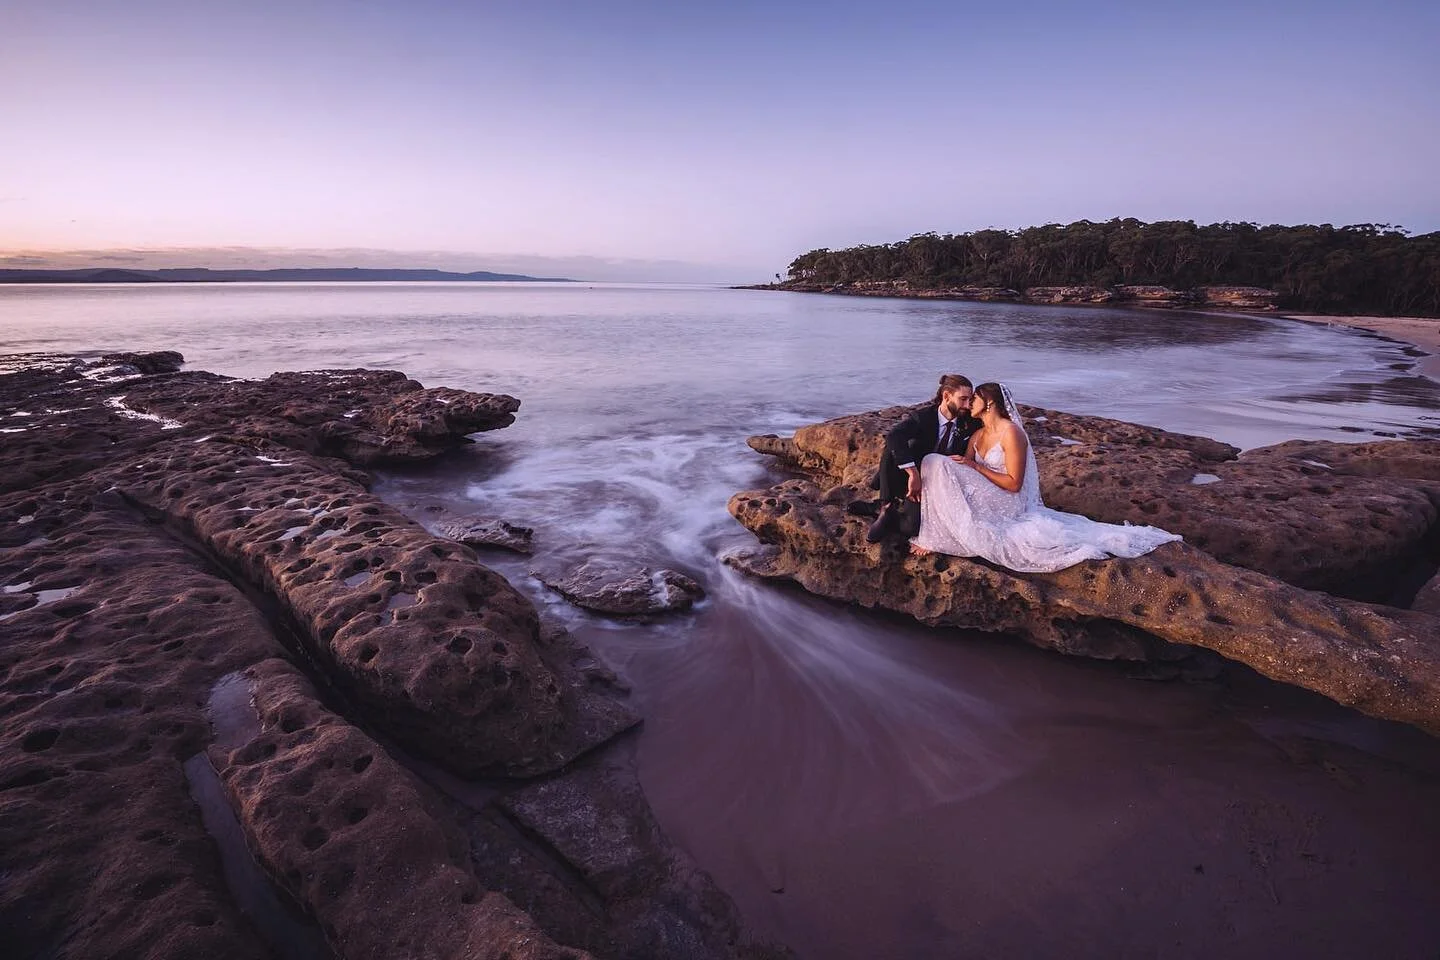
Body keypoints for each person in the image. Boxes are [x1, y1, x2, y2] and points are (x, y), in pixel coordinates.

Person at [908, 382, 1181, 572]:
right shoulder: (978, 435)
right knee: (934, 463)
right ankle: (936, 531)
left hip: (1007, 499)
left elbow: (1014, 484)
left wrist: (975, 468)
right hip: (987, 492)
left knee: (934, 462)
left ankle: (937, 537)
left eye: (974, 399)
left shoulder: (1011, 433)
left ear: (989, 403)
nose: (969, 404)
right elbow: (965, 467)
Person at [865, 374, 979, 543]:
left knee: (911, 528)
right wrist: (913, 474)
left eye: (970, 399)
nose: (967, 405)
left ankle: (878, 509)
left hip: (941, 481)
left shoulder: (970, 422)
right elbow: (894, 436)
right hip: (915, 475)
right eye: (963, 399)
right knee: (894, 444)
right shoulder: (924, 417)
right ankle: (885, 506)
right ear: (946, 396)